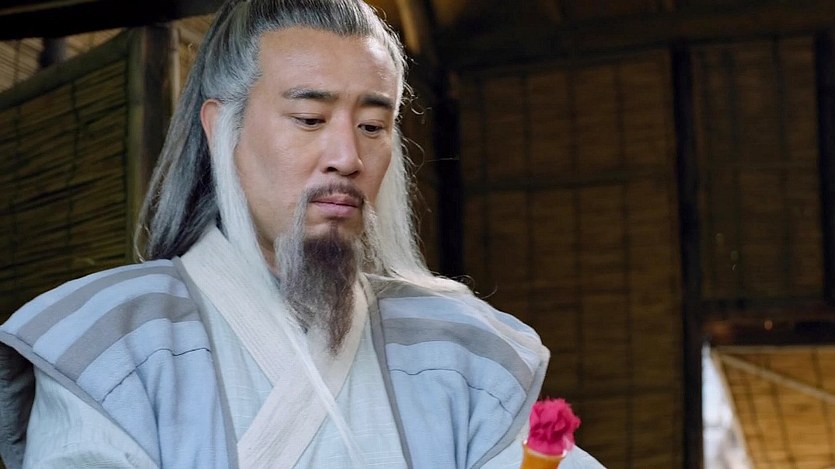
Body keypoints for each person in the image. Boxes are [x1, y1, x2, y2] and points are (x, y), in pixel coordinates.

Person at [0, 1, 605, 468]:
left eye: (373, 126)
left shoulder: (469, 354)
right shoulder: (109, 346)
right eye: (310, 119)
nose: (347, 156)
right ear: (222, 128)